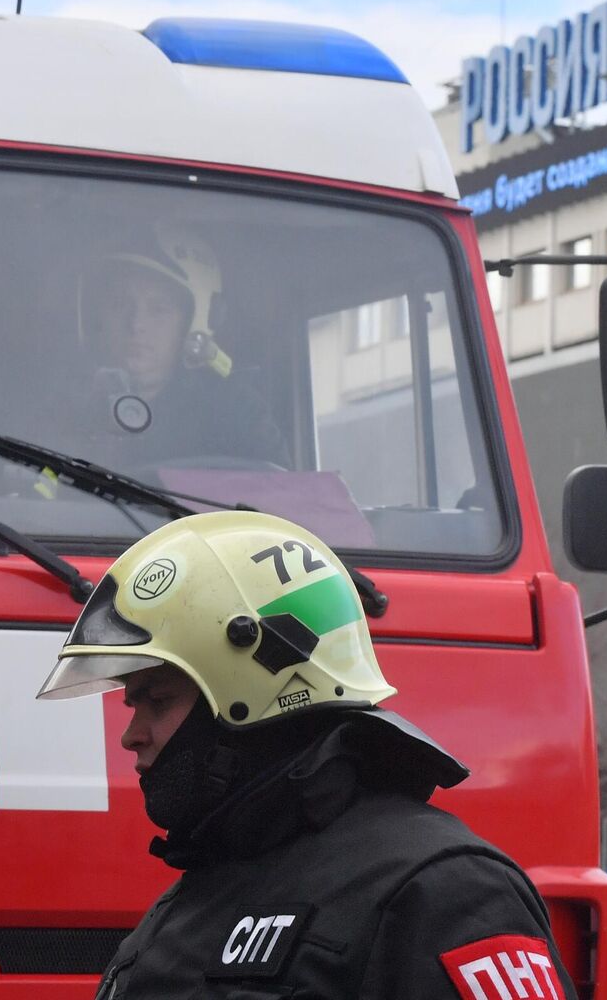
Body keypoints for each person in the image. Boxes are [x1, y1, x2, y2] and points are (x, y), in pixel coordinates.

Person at [36, 511, 579, 999]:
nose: (132, 735)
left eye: (155, 700)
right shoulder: (203, 889)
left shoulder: (443, 893)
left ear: (247, 682)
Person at [72, 226, 289, 470]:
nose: (136, 324)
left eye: (158, 309)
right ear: (94, 317)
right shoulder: (67, 411)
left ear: (193, 323)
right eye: (120, 304)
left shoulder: (237, 415)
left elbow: (282, 497)